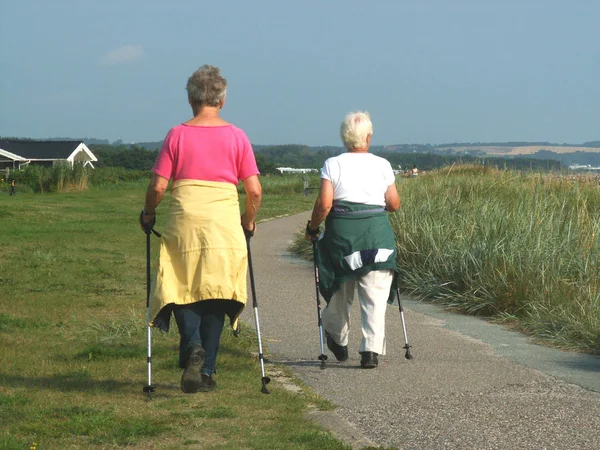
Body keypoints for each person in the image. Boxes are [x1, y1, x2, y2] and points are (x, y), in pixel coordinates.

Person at [140, 65, 262, 393]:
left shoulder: (177, 135)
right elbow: (254, 190)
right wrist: (248, 221)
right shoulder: (237, 136)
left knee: (181, 285)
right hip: (223, 223)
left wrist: (148, 213)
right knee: (217, 292)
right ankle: (206, 371)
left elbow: (158, 186)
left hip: (185, 220)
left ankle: (192, 344)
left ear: (191, 99)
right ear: (222, 101)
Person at [305, 111, 400, 369]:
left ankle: (337, 338)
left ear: (345, 137)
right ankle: (370, 351)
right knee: (375, 296)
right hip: (377, 239)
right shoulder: (382, 164)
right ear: (368, 137)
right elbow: (393, 204)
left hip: (342, 240)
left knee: (339, 288)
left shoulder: (333, 164)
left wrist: (312, 228)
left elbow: (324, 204)